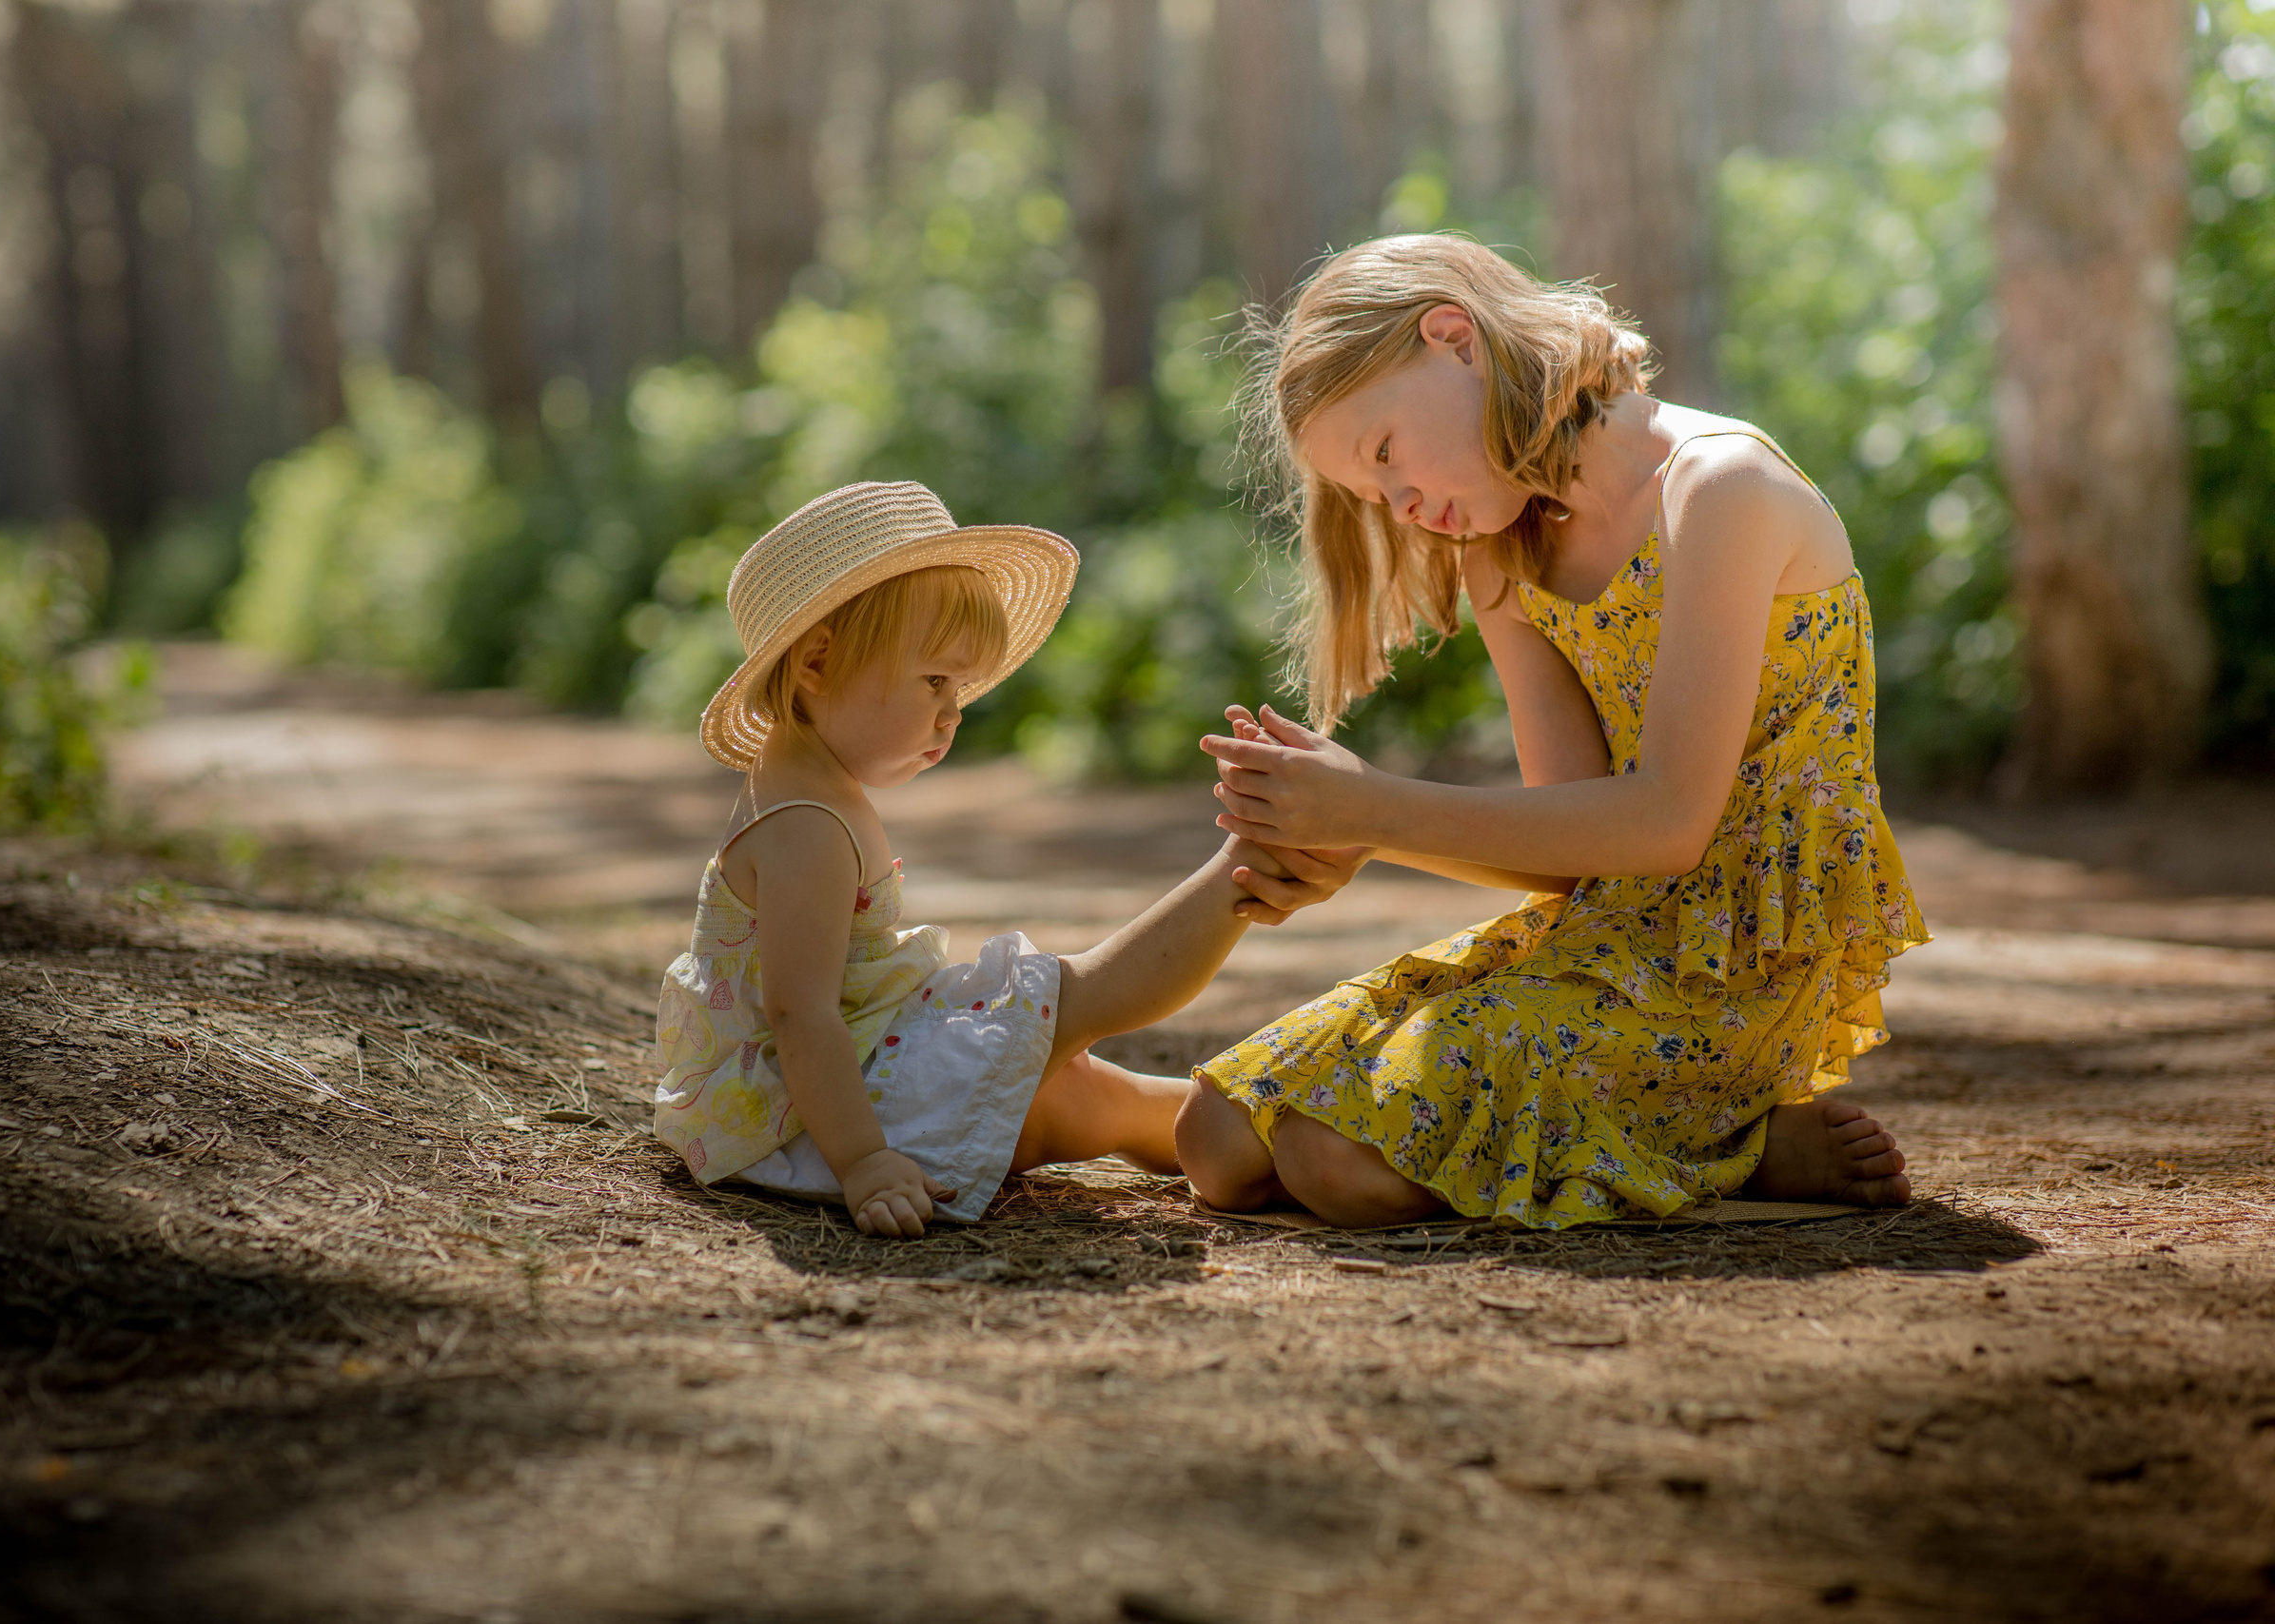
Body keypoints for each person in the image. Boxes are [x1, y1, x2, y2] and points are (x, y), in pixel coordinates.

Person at [1174, 232, 1929, 1230]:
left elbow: (1667, 823)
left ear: (1455, 340)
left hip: (1738, 961)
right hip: (1609, 935)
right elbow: (1570, 859)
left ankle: (1731, 1142)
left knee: (1338, 1162)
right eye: (1372, 497)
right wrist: (1358, 832)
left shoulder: (1718, 490)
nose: (1400, 505)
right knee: (1214, 1138)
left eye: (1386, 453)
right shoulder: (1504, 554)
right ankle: (1663, 1132)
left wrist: (1375, 807)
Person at [653, 480, 1361, 1238]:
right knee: (1069, 1002)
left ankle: (1259, 1126)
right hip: (819, 1116)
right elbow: (802, 1014)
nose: (953, 710)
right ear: (817, 662)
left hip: (855, 1070)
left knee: (1085, 1092)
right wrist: (864, 1162)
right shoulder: (805, 827)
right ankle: (1237, 878)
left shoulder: (802, 786)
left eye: (960, 686)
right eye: (934, 680)